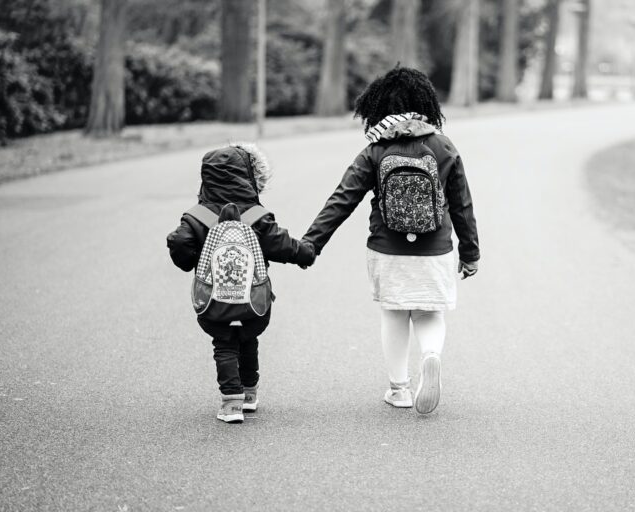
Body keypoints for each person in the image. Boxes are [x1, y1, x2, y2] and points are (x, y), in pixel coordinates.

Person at [302, 67, 479, 414]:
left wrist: (311, 244)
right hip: (435, 249)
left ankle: (399, 389)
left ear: (378, 106)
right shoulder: (443, 146)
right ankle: (430, 356)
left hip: (387, 248)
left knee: (394, 314)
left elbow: (342, 199)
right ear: (426, 103)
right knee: (429, 313)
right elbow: (462, 205)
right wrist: (470, 253)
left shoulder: (375, 149)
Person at [167, 142, 315, 423]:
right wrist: (306, 252)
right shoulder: (256, 217)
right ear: (250, 178)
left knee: (224, 343)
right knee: (248, 339)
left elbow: (180, 243)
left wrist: (191, 259)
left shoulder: (198, 217)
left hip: (214, 302)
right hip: (253, 302)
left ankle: (231, 404)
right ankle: (249, 394)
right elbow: (281, 244)